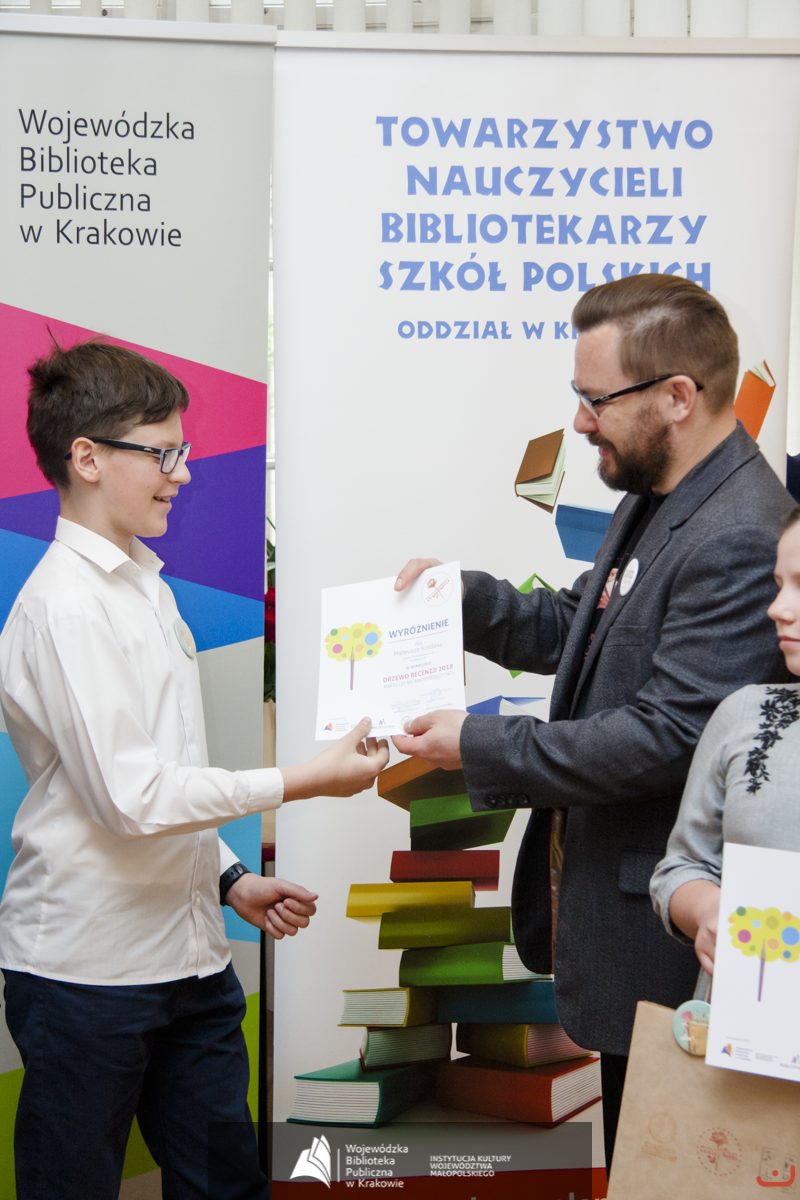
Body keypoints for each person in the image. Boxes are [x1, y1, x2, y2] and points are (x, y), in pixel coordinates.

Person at [391, 274, 795, 1165]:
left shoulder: (740, 531)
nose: (578, 422)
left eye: (595, 398)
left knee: (674, 1170)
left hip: (672, 949)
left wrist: (476, 744)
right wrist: (463, 601)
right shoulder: (662, 493)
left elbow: (668, 736)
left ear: (678, 396)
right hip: (625, 930)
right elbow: (581, 624)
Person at [0, 341, 389, 1200]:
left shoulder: (148, 587)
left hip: (192, 961)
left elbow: (164, 775)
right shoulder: (66, 608)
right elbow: (132, 799)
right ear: (87, 458)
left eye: (181, 452)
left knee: (227, 1184)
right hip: (88, 975)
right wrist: (304, 779)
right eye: (162, 453)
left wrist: (229, 878)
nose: (182, 473)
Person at [650, 505, 800, 974]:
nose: (778, 608)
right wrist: (709, 910)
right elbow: (680, 867)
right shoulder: (745, 714)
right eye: (779, 584)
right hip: (750, 1004)